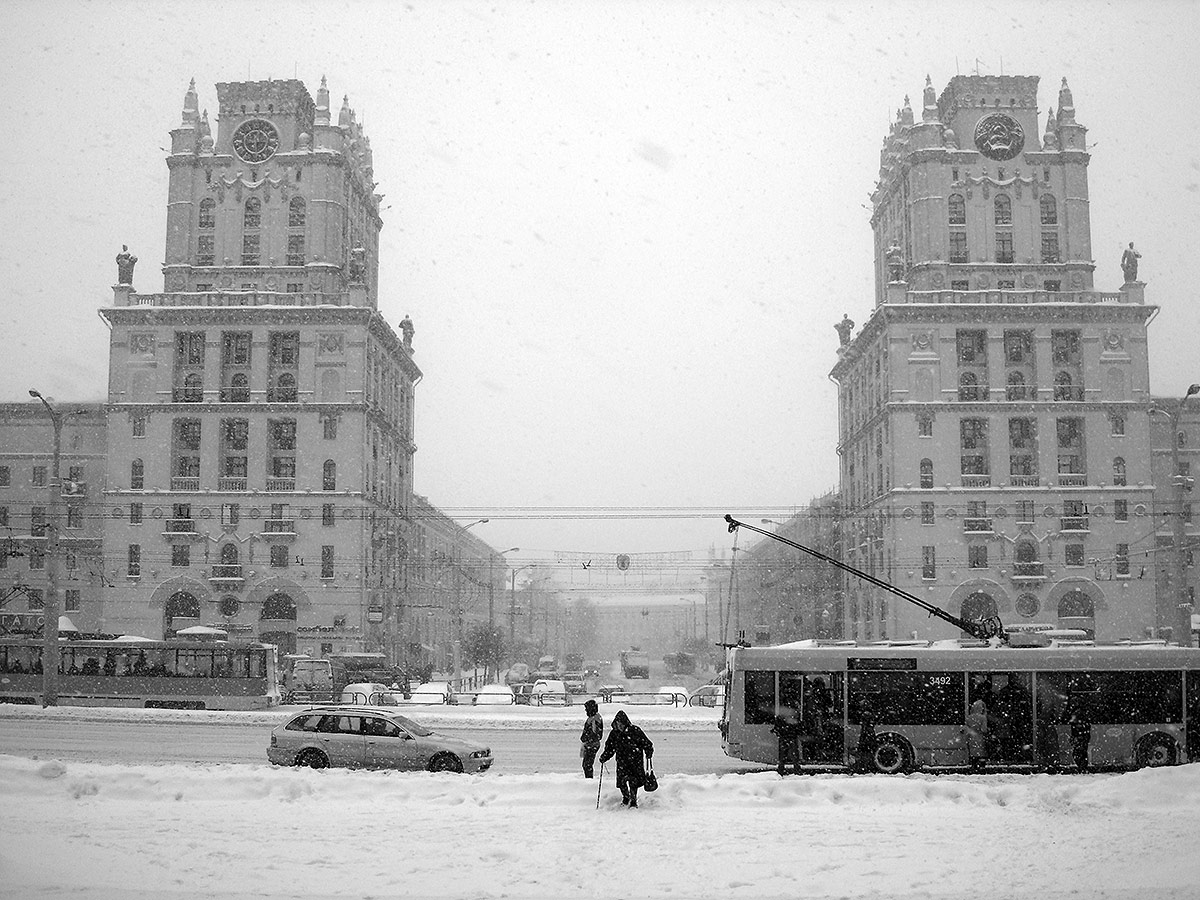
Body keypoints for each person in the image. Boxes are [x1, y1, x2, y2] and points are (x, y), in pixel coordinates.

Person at [598, 709, 653, 808]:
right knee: (622, 781)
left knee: (634, 782)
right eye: (618, 723)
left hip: (635, 761)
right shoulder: (614, 734)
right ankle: (626, 797)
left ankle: (633, 799)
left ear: (625, 722)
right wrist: (604, 757)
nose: (620, 726)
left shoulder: (635, 731)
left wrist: (648, 752)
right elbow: (610, 748)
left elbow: (646, 743)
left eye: (622, 723)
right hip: (622, 762)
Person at [772, 685, 803, 775]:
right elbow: (796, 723)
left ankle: (781, 769)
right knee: (794, 754)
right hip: (791, 735)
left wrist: (778, 730)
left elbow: (779, 721)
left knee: (783, 754)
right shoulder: (794, 709)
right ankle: (796, 769)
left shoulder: (783, 709)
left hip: (784, 735)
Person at [580, 699, 603, 778]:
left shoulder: (594, 719)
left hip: (592, 745)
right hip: (592, 744)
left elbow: (595, 734)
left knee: (587, 765)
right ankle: (588, 778)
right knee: (587, 764)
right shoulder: (595, 718)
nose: (586, 711)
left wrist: (585, 738)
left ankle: (589, 780)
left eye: (586, 709)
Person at [963, 699, 989, 772]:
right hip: (980, 737)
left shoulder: (969, 717)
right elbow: (984, 729)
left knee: (973, 752)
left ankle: (973, 765)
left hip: (971, 737)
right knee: (981, 752)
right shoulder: (983, 717)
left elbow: (966, 727)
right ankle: (982, 766)